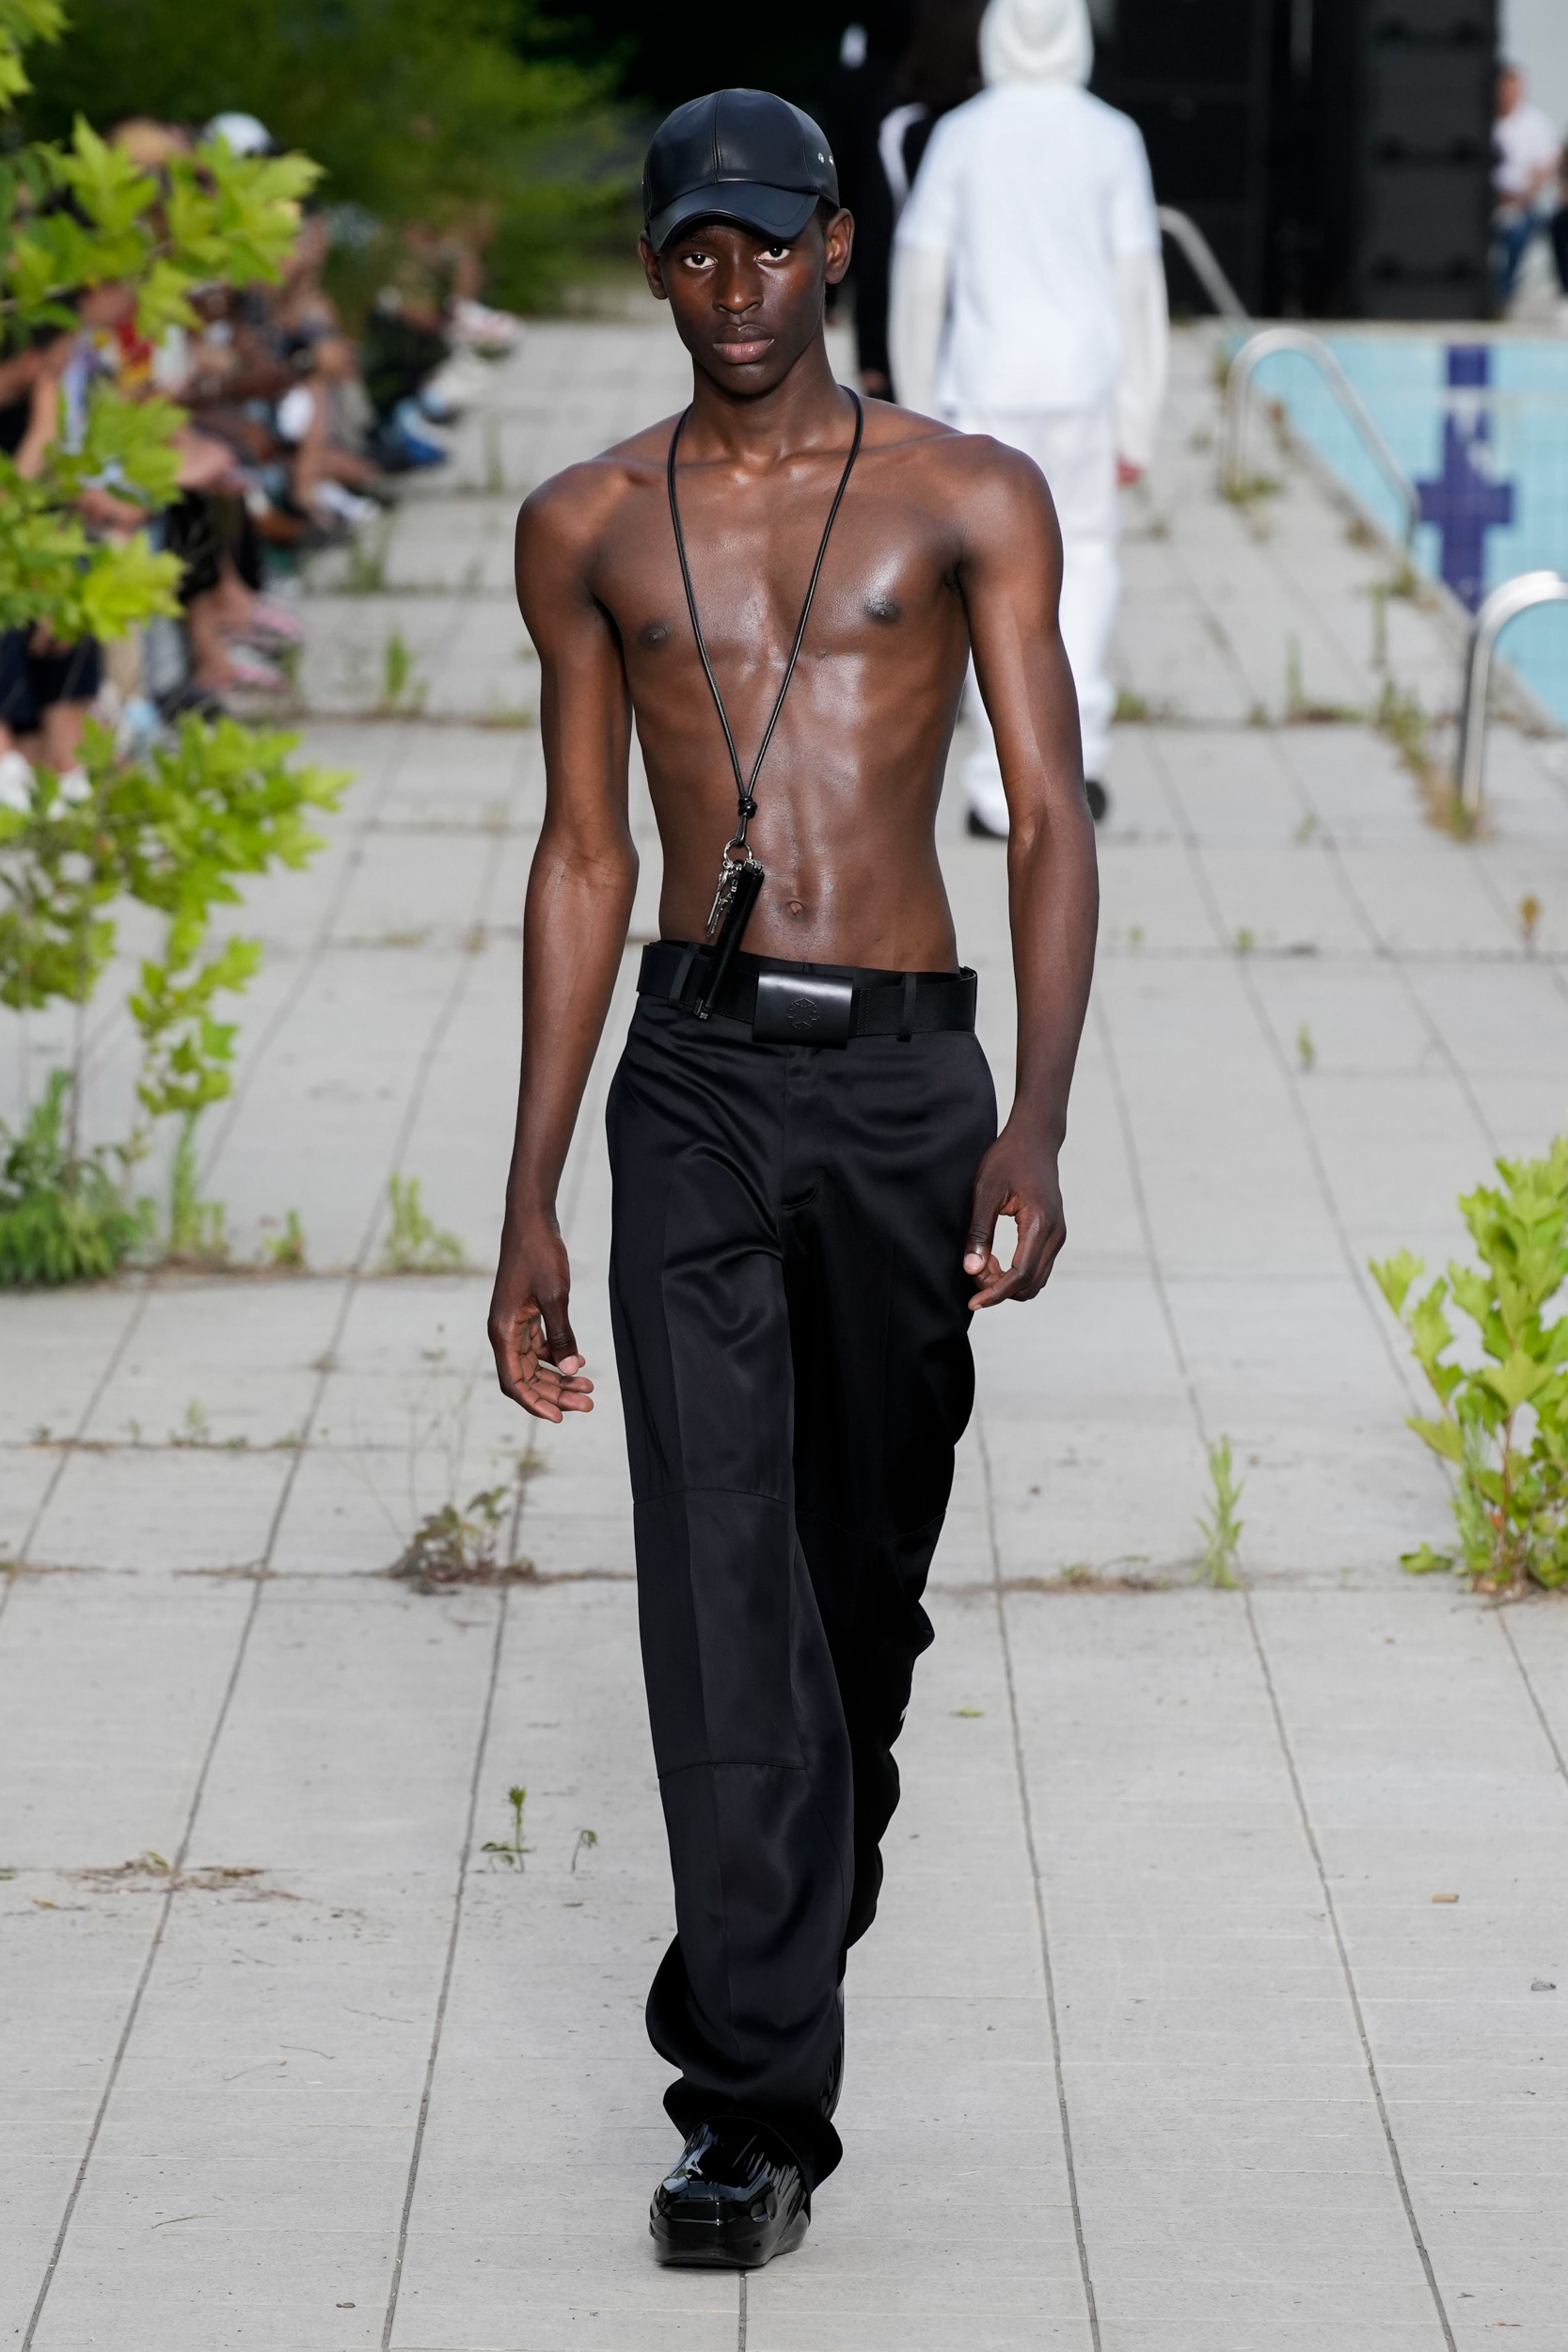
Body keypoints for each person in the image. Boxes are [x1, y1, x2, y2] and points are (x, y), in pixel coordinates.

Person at [487, 85, 1097, 2267]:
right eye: (694, 249)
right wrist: (529, 1189)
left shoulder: (968, 492)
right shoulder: (585, 523)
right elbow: (580, 854)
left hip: (911, 1082)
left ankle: (771, 1925)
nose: (733, 284)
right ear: (656, 266)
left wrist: (1033, 1114)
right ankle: (746, 2110)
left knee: (852, 1588)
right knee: (714, 1575)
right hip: (691, 1081)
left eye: (768, 241)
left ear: (837, 243)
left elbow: (1048, 809)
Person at [889, 0, 1167, 835]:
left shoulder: (961, 135)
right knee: (1085, 568)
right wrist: (1138, 419)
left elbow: (918, 281)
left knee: (988, 588)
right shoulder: (1112, 136)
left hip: (982, 396)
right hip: (1083, 392)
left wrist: (915, 417)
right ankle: (1078, 769)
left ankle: (996, 787)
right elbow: (1138, 288)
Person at [1493, 62, 1562, 306]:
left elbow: (1551, 164)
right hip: (1486, 204)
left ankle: (1502, 295)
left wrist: (1530, 188)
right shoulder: (1483, 118)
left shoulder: (1535, 124)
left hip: (1522, 204)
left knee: (1520, 231)